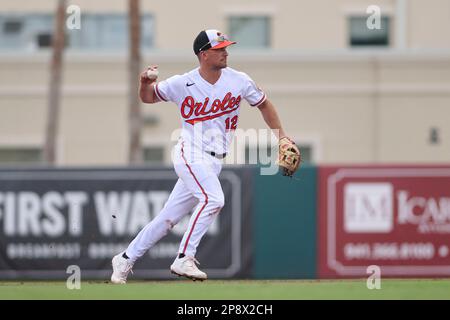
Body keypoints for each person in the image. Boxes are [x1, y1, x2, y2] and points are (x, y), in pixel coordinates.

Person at [111, 29, 290, 283]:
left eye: (226, 48)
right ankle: (184, 257)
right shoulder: (182, 83)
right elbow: (149, 97)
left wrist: (281, 136)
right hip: (190, 152)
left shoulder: (239, 80)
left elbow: (264, 103)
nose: (226, 52)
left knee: (168, 218)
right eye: (220, 49)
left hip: (214, 160)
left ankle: (125, 258)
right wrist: (143, 83)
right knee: (214, 199)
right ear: (204, 54)